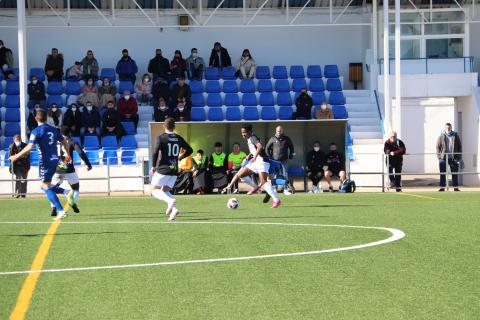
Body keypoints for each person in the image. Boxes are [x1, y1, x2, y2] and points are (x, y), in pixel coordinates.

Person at [9, 109, 74, 220]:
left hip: (45, 161)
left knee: (45, 186)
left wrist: (16, 156)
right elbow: (64, 141)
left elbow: (30, 147)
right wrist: (68, 154)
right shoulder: (54, 129)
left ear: (36, 118)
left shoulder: (36, 131)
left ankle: (61, 210)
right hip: (55, 160)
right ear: (46, 118)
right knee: (45, 185)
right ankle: (66, 192)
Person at [224, 123, 281, 208]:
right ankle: (255, 187)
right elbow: (254, 148)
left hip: (262, 161)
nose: (243, 134)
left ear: (249, 132)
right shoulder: (249, 139)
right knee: (240, 175)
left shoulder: (253, 138)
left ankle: (276, 200)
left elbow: (259, 146)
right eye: (242, 132)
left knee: (265, 182)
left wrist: (254, 156)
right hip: (256, 161)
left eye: (244, 132)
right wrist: (249, 155)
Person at [150, 117, 193, 221]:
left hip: (163, 168)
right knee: (165, 190)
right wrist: (181, 157)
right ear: (174, 127)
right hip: (174, 170)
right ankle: (173, 210)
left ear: (164, 126)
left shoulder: (161, 138)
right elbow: (190, 150)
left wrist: (153, 166)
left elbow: (155, 152)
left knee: (153, 190)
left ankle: (170, 201)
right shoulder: (178, 138)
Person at [50, 126, 92, 217]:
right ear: (69, 133)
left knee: (52, 189)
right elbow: (81, 152)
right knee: (76, 188)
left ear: (60, 133)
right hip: (69, 169)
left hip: (57, 169)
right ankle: (71, 201)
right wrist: (88, 164)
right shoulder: (72, 142)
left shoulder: (55, 142)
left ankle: (53, 207)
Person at [265, 126, 295, 195]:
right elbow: (267, 148)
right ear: (276, 131)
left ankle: (285, 190)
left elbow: (291, 147)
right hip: (275, 161)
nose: (279, 132)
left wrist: (291, 156)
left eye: (280, 131)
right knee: (275, 175)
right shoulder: (272, 139)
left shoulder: (286, 139)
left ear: (282, 131)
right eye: (277, 131)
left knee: (285, 174)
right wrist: (270, 157)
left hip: (284, 160)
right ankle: (274, 190)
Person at [436, 123, 462, 192]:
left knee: (455, 173)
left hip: (453, 157)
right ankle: (442, 187)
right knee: (443, 172)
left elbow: (459, 147)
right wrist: (439, 157)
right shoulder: (441, 135)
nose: (448, 129)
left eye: (449, 128)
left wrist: (459, 157)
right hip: (443, 158)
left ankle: (455, 187)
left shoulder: (455, 135)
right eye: (447, 128)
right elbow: (437, 147)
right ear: (445, 128)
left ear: (451, 128)